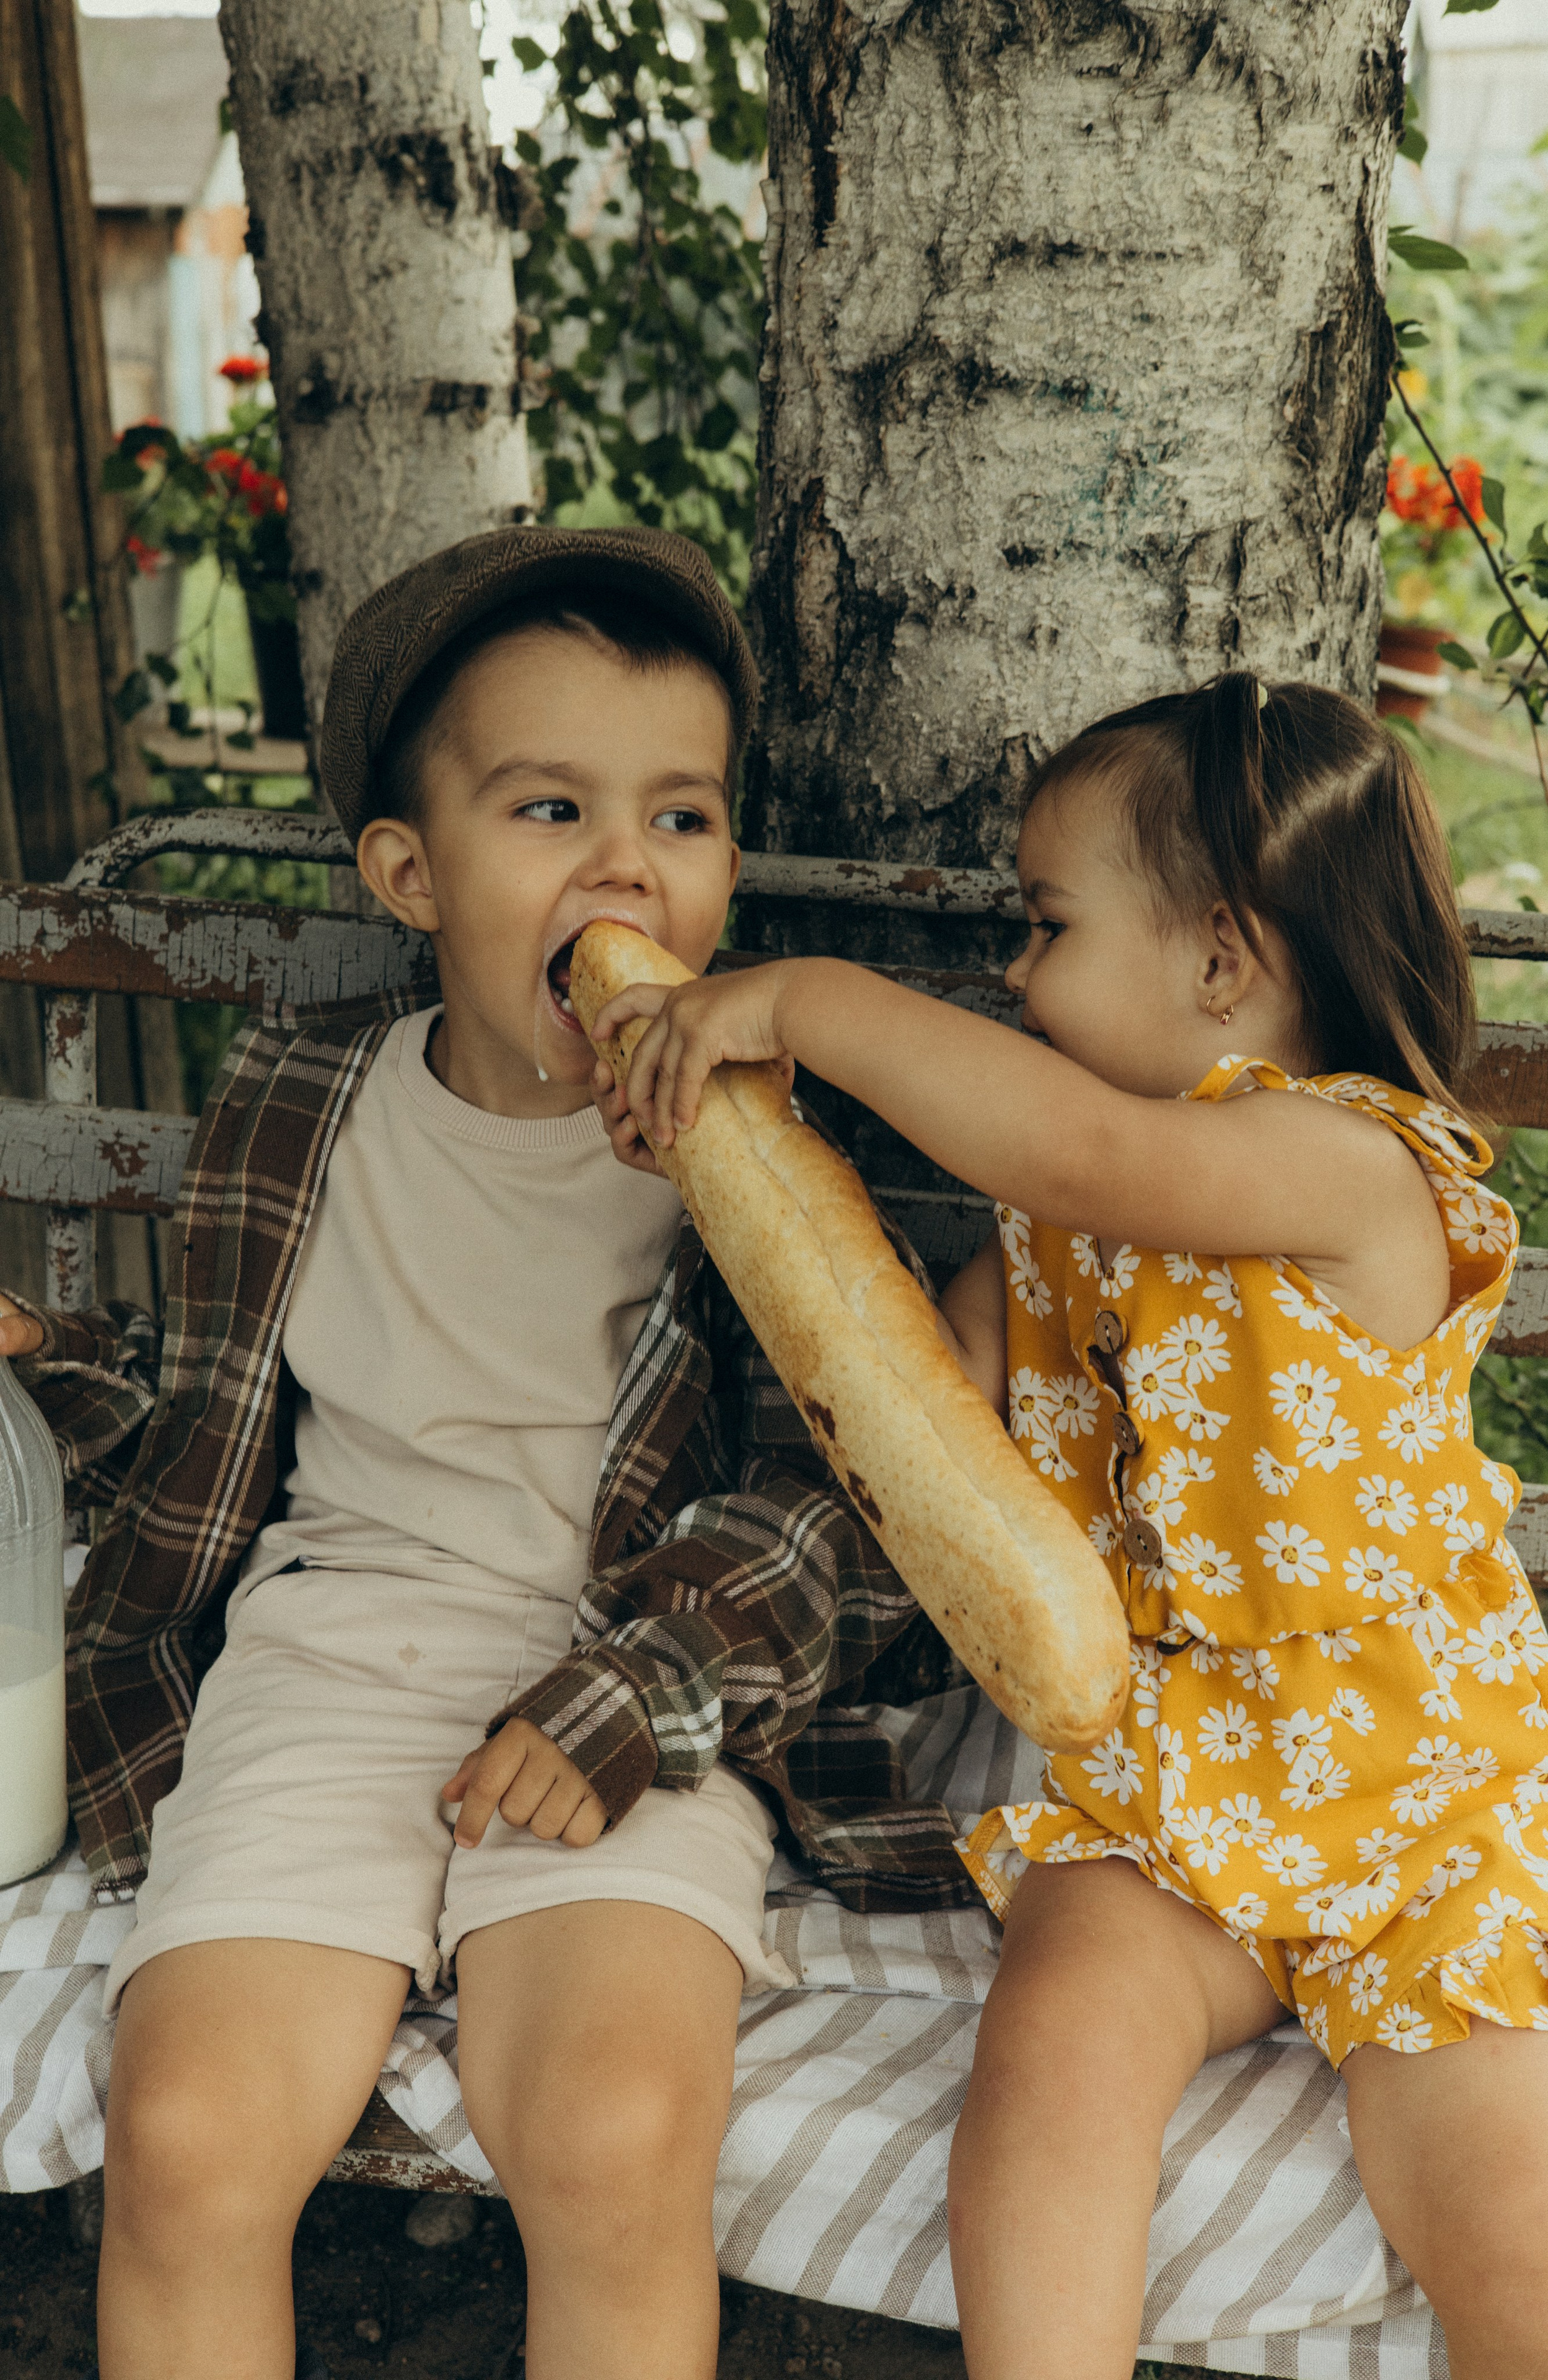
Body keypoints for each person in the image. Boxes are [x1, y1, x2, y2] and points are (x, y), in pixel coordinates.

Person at [1, 527, 972, 2380]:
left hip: (640, 1670)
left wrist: (645, 1689)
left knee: (610, 2133)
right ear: (409, 873)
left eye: (682, 817)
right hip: (333, 1650)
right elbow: (227, 1402)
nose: (626, 866)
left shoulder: (758, 1160)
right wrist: (55, 1363)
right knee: (188, 2137)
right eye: (549, 809)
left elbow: (832, 1507)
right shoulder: (302, 1099)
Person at [592, 671, 1548, 2379]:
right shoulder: (1059, 1218)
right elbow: (919, 1409)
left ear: (1222, 962)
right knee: (1050, 2065)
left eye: (1047, 925)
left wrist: (806, 999)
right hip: (1168, 1782)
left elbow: (1084, 1154)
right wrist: (728, 1158)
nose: (1014, 970)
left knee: (1514, 2206)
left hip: (1417, 1792)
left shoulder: (1348, 1165)